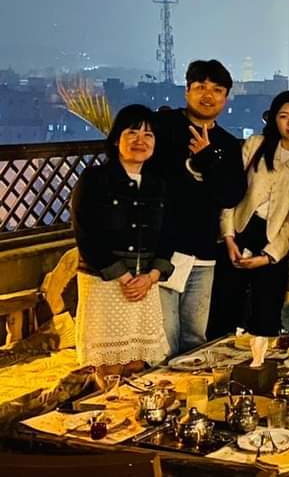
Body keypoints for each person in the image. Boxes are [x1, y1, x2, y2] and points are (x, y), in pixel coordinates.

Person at [148, 60, 246, 356]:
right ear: (187, 90)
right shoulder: (162, 129)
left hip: (203, 253)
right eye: (201, 87)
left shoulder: (228, 144)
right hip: (162, 252)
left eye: (217, 90)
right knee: (163, 338)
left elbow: (230, 195)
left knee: (195, 338)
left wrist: (207, 159)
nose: (208, 95)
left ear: (225, 98)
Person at [73, 105, 172, 388]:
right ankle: (108, 410)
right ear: (117, 139)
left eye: (148, 135)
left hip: (145, 284)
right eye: (132, 132)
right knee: (109, 367)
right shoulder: (95, 179)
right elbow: (86, 234)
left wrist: (152, 276)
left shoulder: (158, 184)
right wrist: (124, 277)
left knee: (138, 364)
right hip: (105, 283)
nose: (141, 140)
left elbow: (169, 235)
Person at [207, 91, 289, 339]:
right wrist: (228, 237)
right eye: (284, 116)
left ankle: (260, 363)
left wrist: (270, 256)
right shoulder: (256, 145)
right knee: (224, 312)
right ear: (273, 119)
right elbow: (233, 193)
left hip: (275, 239)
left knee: (265, 318)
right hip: (239, 230)